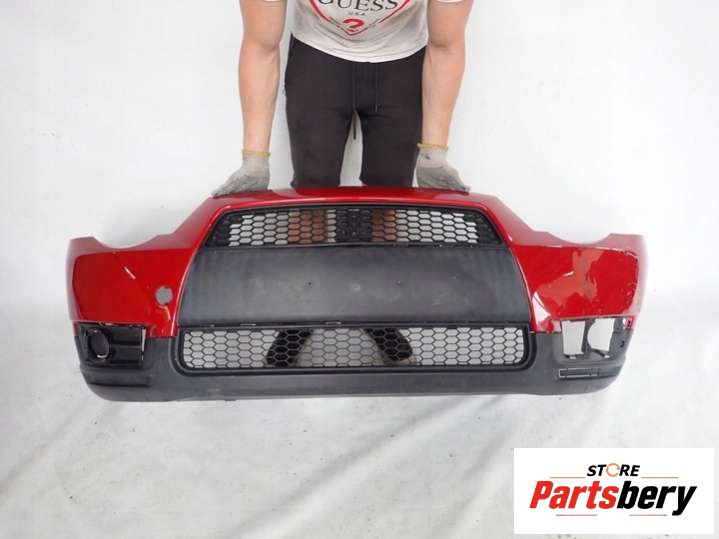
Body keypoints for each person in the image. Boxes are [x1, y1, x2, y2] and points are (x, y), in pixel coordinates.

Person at [213, 0, 474, 365]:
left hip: (400, 62)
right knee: (312, 192)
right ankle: (302, 311)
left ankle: (374, 310)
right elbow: (261, 44)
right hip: (319, 58)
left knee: (388, 196)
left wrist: (434, 152)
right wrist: (254, 159)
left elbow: (446, 44)